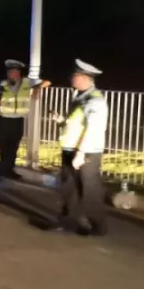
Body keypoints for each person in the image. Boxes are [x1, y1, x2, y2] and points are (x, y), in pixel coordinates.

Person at [55, 60, 109, 236]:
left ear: (85, 78)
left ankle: (98, 227)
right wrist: (62, 121)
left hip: (86, 152)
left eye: (75, 75)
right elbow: (78, 124)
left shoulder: (95, 101)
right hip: (71, 149)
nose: (72, 78)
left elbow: (93, 128)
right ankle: (66, 222)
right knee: (68, 189)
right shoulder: (80, 97)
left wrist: (81, 152)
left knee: (89, 191)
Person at [0, 60, 50, 179]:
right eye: (10, 72)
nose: (13, 74)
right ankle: (3, 170)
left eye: (15, 72)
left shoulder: (27, 82)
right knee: (3, 147)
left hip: (18, 120)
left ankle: (8, 170)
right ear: (8, 73)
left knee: (13, 147)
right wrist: (0, 103)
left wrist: (37, 89)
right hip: (4, 120)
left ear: (19, 73)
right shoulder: (2, 84)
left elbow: (47, 82)